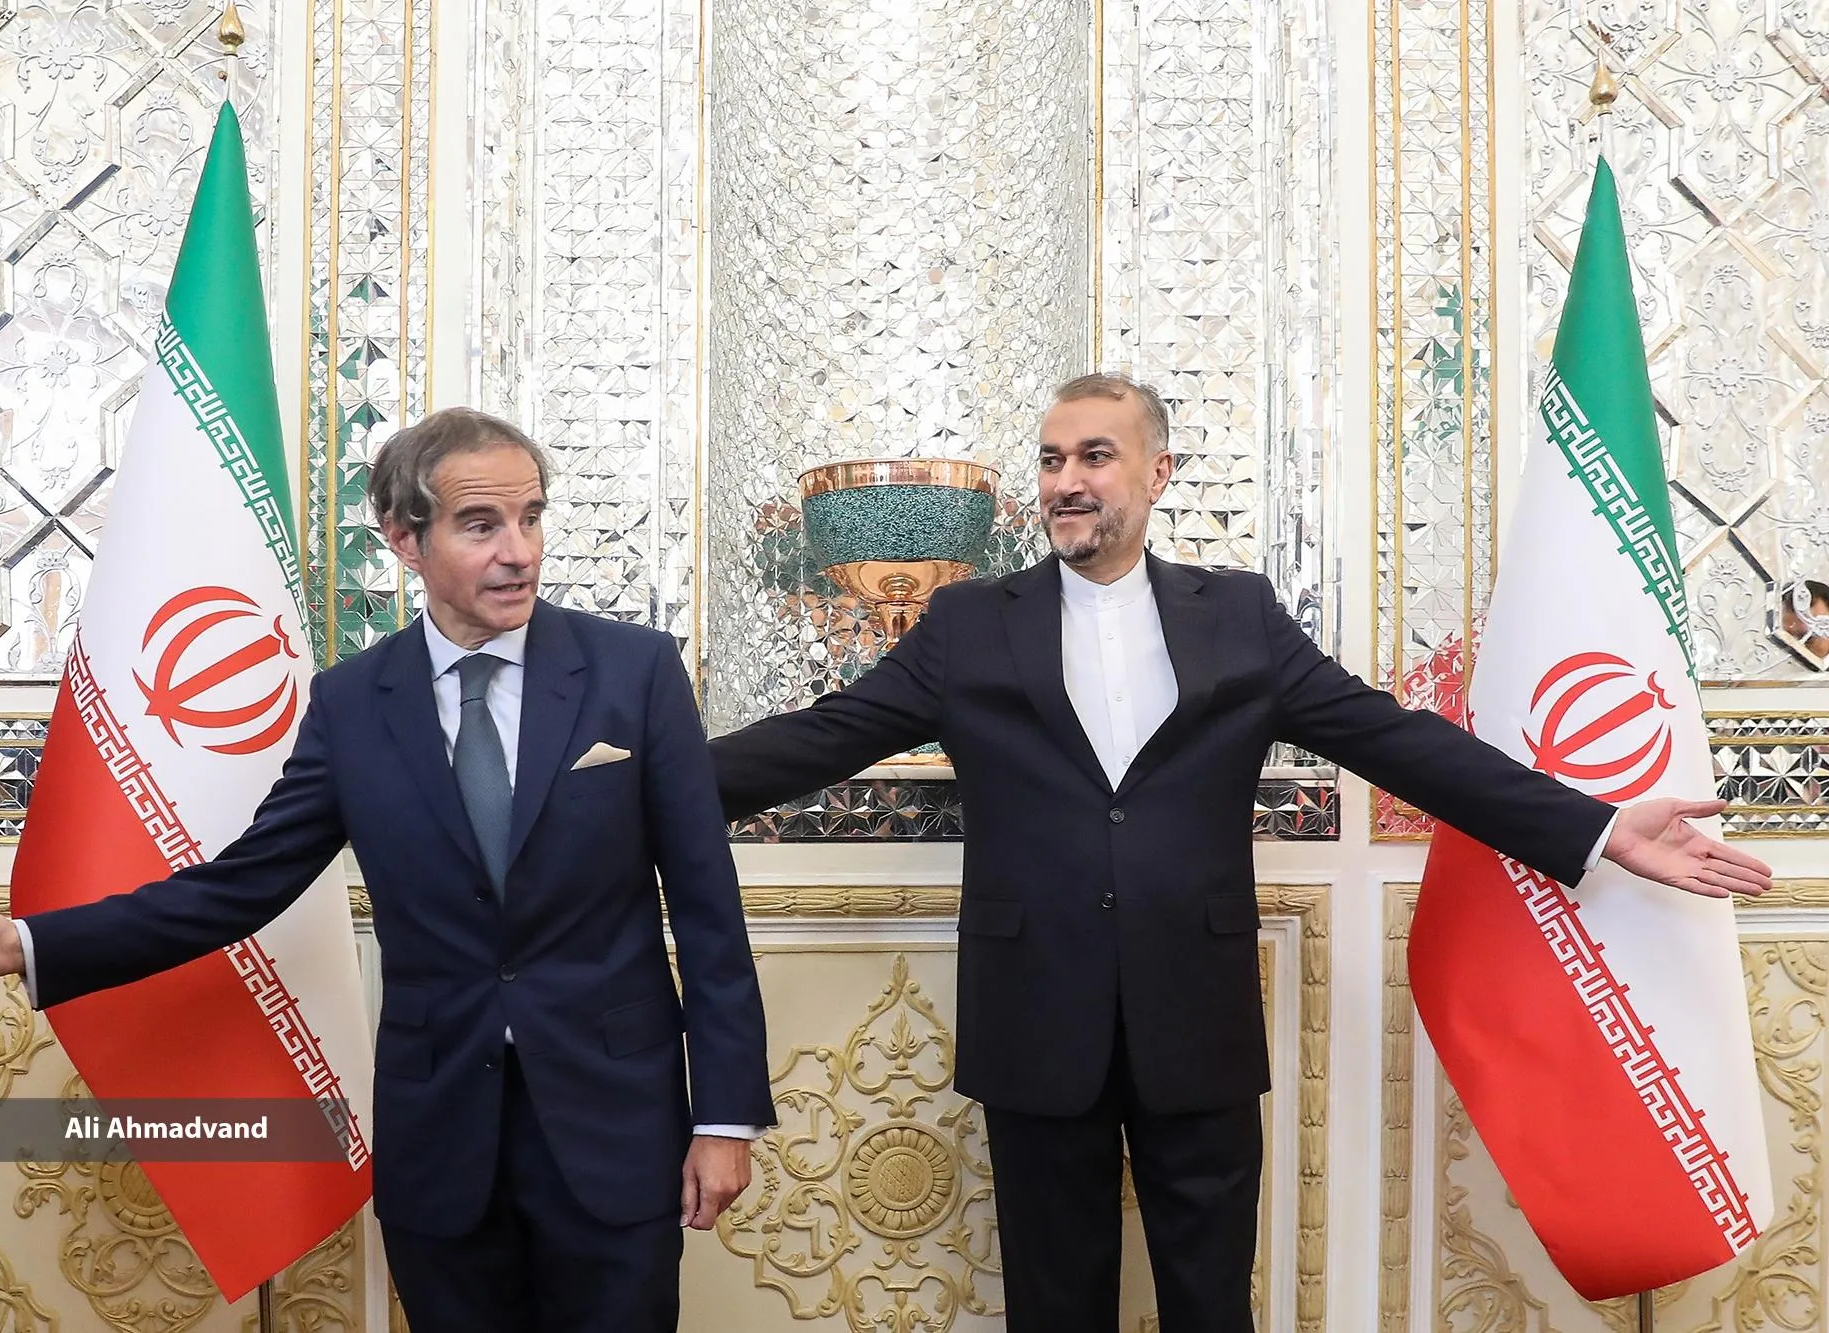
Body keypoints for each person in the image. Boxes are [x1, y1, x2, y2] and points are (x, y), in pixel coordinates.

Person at [707, 372, 1772, 1333]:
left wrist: (1594, 825)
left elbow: (1393, 739)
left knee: (1209, 1298)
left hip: (1195, 1016)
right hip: (1032, 1013)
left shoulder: (1239, 616)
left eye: (1094, 456)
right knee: (1051, 1300)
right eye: (1050, 459)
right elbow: (821, 737)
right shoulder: (968, 623)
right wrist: (648, 791)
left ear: (1156, 472)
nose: (1066, 481)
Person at [0, 408, 776, 1333]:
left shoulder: (635, 671)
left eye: (531, 517)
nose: (519, 551)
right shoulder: (351, 703)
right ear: (405, 539)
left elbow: (708, 909)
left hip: (616, 1129)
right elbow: (238, 886)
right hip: (440, 1142)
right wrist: (26, 944)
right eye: (481, 525)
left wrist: (725, 1119)